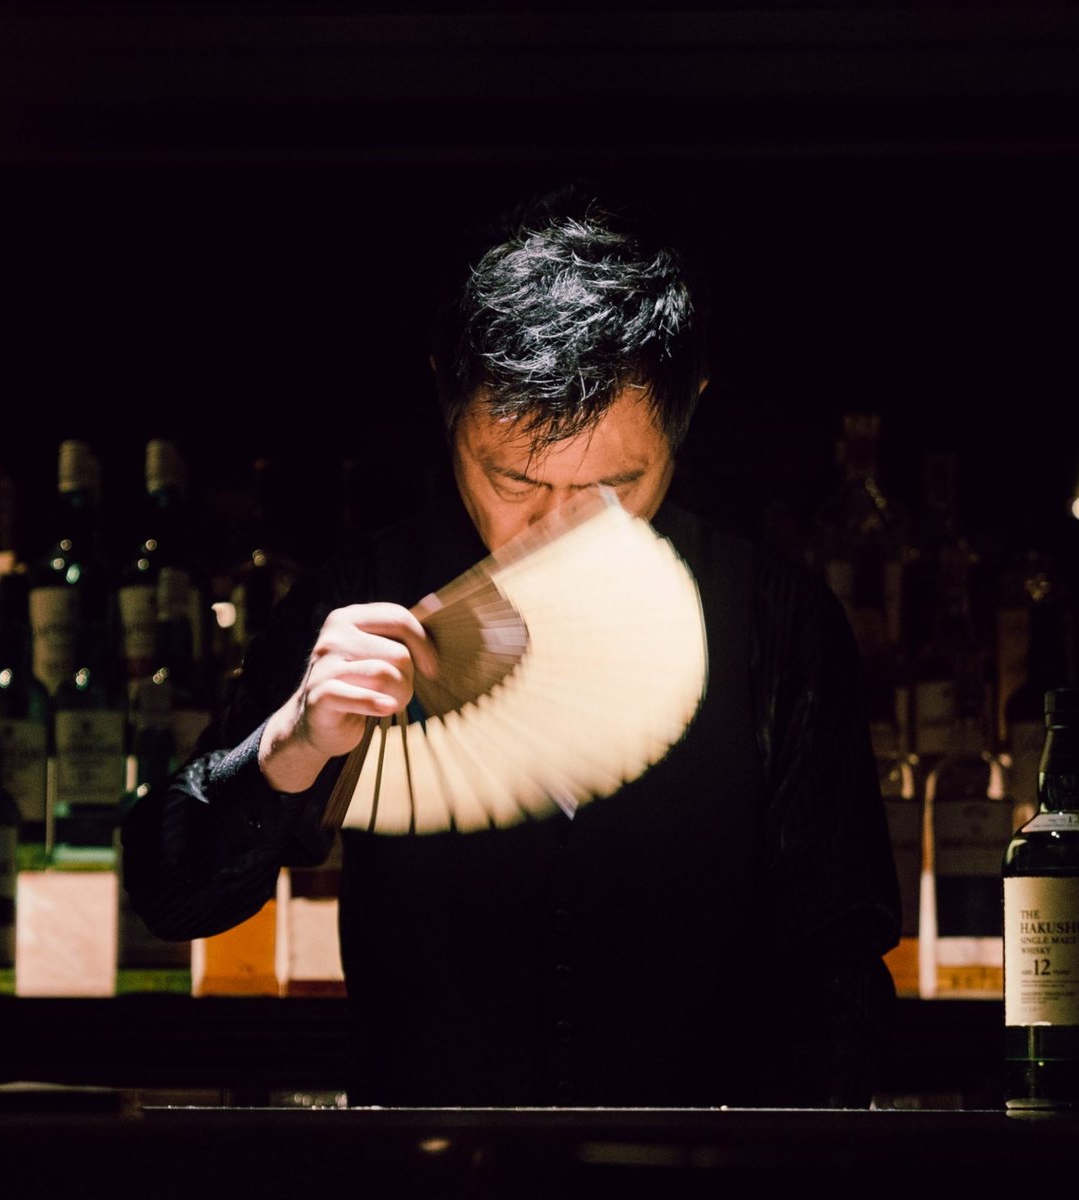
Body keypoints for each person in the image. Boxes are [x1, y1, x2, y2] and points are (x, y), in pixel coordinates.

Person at [121, 184, 900, 1108]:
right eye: (516, 479)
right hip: (426, 1181)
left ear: (689, 411)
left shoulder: (778, 622)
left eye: (613, 484)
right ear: (449, 406)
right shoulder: (357, 602)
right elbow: (173, 897)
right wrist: (290, 746)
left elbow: (839, 980)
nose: (560, 529)